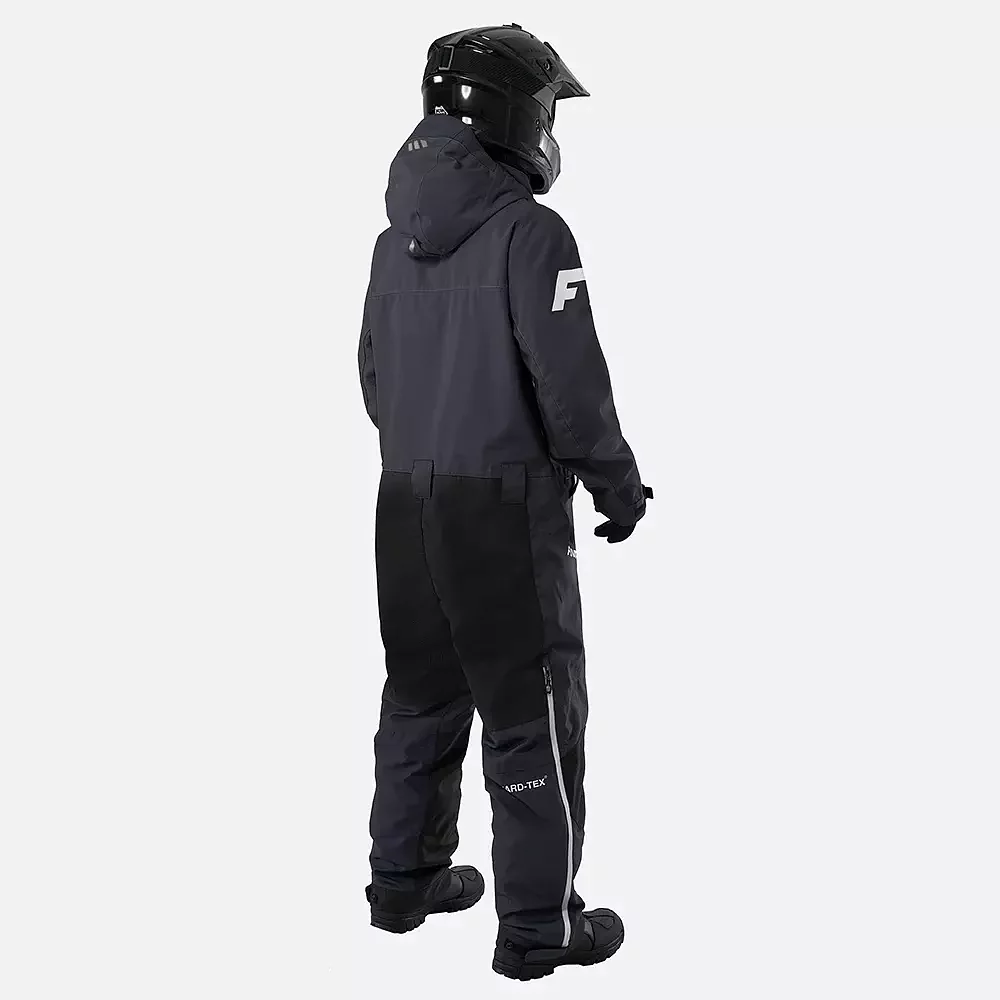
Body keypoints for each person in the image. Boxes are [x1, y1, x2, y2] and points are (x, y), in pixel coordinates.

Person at [358, 23, 652, 981]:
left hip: (403, 504)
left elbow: (373, 379)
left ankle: (403, 882)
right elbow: (572, 386)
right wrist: (615, 483)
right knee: (532, 715)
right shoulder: (533, 234)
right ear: (515, 114)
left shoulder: (390, 245)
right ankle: (538, 928)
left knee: (419, 696)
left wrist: (429, 446)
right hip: (501, 513)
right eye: (549, 108)